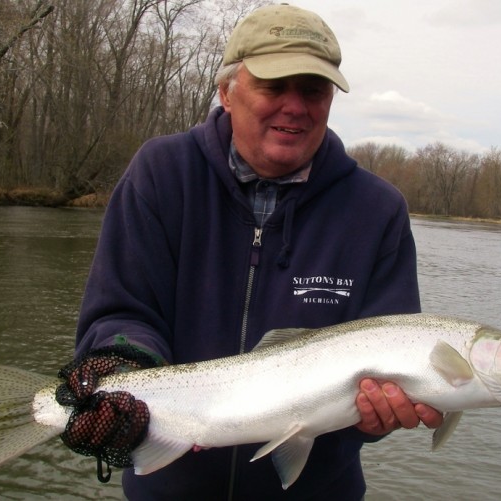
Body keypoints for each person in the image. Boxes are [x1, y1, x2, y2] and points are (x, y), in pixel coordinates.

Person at [64, 4, 443, 500]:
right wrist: (121, 367)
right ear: (227, 91)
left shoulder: (378, 210)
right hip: (168, 487)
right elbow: (123, 309)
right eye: (273, 86)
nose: (295, 106)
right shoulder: (161, 174)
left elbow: (392, 356)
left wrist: (377, 419)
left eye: (313, 89)